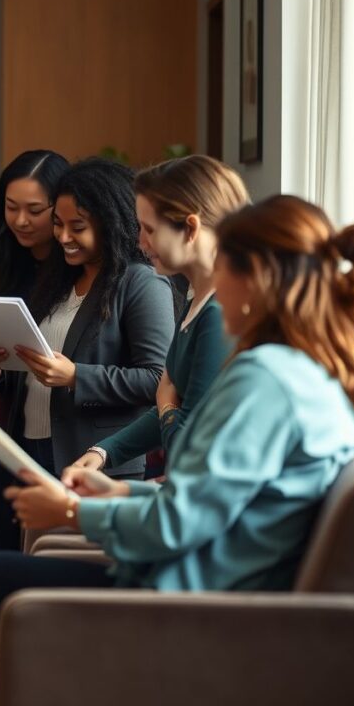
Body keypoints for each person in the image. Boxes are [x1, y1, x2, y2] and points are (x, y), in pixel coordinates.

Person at [0, 195, 354, 706]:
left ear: (255, 280)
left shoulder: (264, 380)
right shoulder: (310, 374)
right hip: (213, 586)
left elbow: (185, 523)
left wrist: (71, 515)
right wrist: (120, 492)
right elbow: (221, 502)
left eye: (223, 267)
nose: (207, 285)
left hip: (196, 609)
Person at [0, 156, 174, 545]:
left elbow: (157, 379)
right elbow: (34, 369)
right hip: (28, 446)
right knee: (19, 563)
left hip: (93, 459)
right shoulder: (58, 278)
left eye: (77, 227)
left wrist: (77, 376)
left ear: (111, 222)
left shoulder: (140, 283)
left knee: (56, 573)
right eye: (58, 224)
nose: (63, 237)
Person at [70, 155, 250, 476]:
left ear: (190, 228)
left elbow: (187, 448)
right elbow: (174, 408)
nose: (140, 242)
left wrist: (166, 400)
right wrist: (104, 450)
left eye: (149, 229)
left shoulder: (219, 312)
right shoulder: (197, 299)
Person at [0, 149, 71, 548]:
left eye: (34, 210)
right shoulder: (6, 265)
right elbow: (9, 378)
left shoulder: (80, 266)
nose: (20, 220)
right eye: (11, 208)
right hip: (17, 426)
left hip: (68, 430)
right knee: (9, 544)